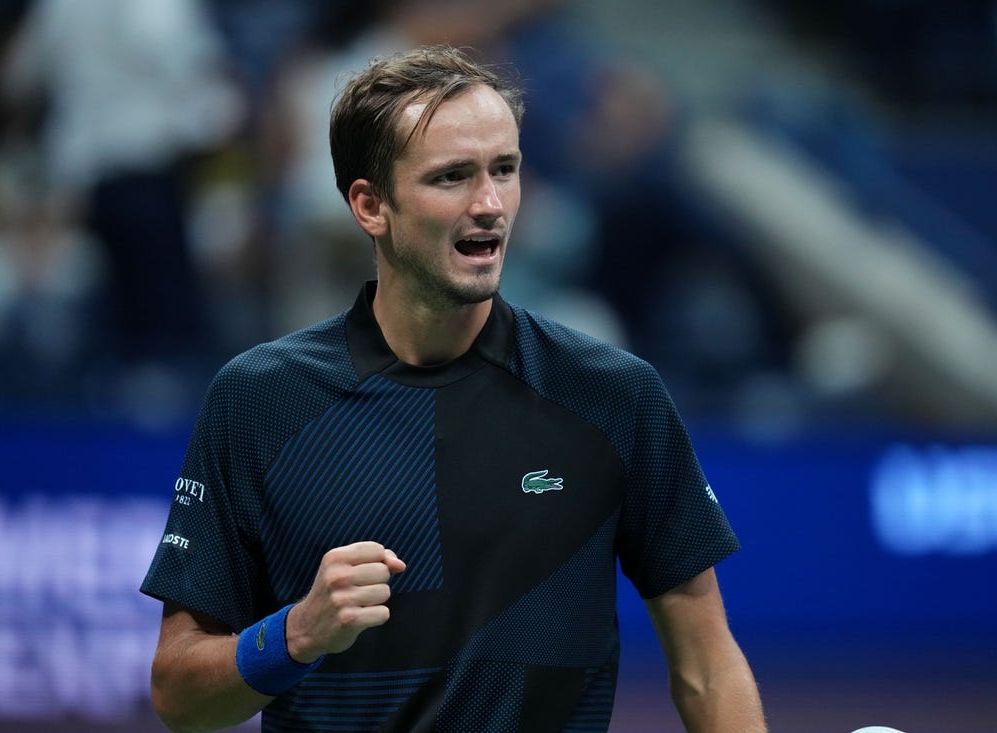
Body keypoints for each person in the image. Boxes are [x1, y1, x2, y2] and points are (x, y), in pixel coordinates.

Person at [141, 45, 767, 733]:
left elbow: (707, 666)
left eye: (505, 169)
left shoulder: (614, 394)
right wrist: (295, 634)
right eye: (452, 178)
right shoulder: (259, 399)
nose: (491, 204)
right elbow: (179, 695)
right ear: (370, 205)